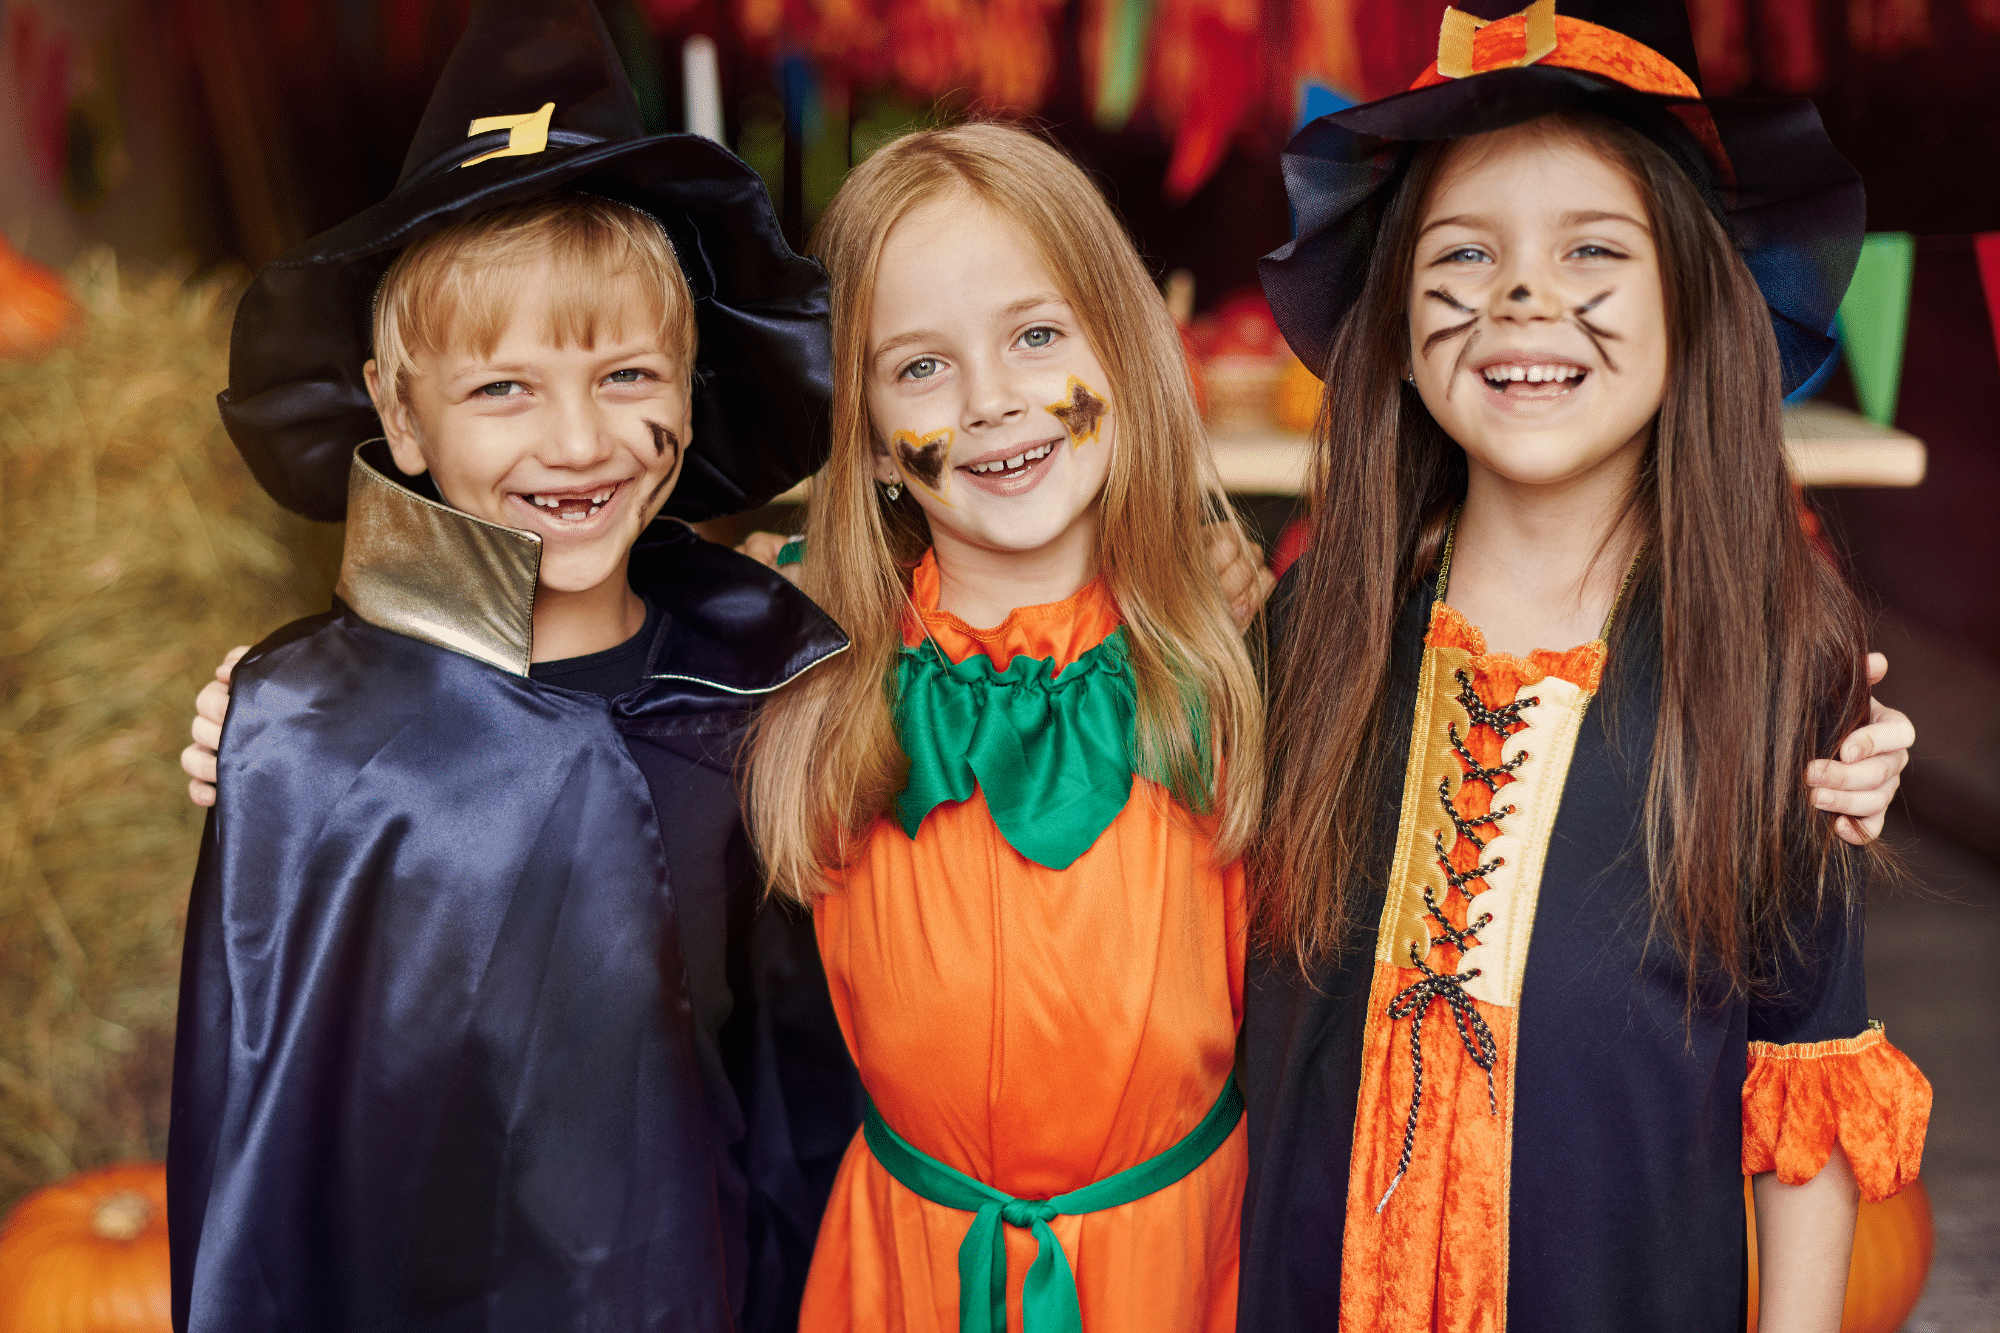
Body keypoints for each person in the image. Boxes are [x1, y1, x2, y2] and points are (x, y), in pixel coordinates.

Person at [166, 4, 861, 1330]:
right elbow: (270, 1145)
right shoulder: (312, 733)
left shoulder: (770, 686)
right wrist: (272, 741)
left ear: (693, 385)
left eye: (624, 374)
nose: (577, 441)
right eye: (501, 390)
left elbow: (802, 1081)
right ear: (398, 413)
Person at [1240, 4, 1931, 1332]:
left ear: (1695, 296)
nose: (1522, 297)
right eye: (1467, 254)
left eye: (1592, 251)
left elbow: (1809, 1083)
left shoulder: (1779, 668)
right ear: (1397, 312)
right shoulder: (1315, 623)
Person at [742, 123, 1262, 1333]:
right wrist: (304, 703)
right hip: (905, 1277)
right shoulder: (800, 674)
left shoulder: (1240, 658)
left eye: (1036, 336)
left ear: (1123, 353)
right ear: (866, 432)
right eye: (920, 368)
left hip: (1182, 1272)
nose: (991, 402)